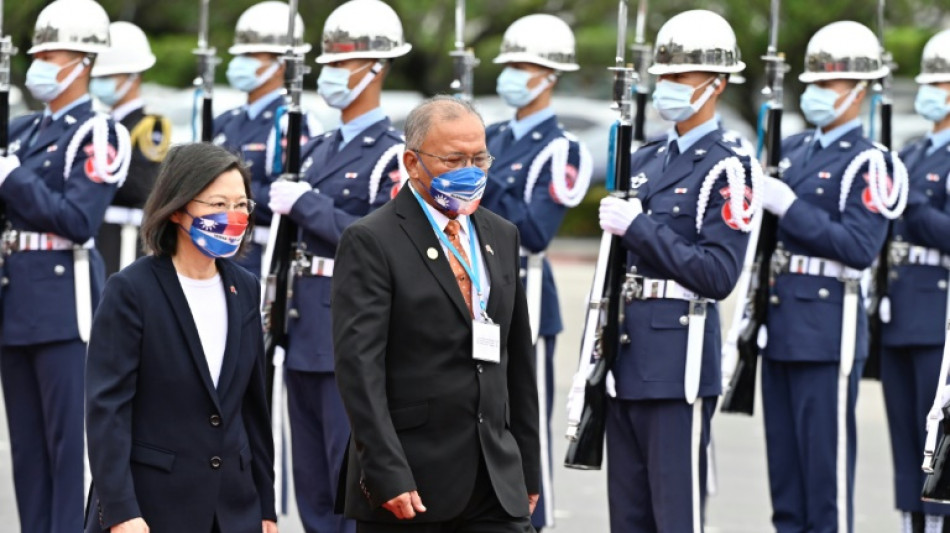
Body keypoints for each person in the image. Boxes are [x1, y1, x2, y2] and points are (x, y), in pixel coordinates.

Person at [332, 96, 540, 532]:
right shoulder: (372, 239)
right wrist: (386, 471)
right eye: (453, 159)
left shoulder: (500, 234)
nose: (470, 169)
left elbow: (517, 360)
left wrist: (528, 466)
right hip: (412, 485)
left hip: (495, 480)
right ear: (412, 162)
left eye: (479, 157)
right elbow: (360, 369)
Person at [594, 10, 757, 532]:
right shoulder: (643, 160)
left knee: (675, 516)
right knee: (629, 517)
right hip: (626, 355)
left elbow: (717, 274)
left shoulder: (727, 166)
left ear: (716, 83)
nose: (667, 87)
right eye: (662, 76)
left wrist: (639, 227)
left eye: (680, 77)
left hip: (677, 364)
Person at [266, 1, 411, 531]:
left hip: (349, 332)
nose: (329, 76)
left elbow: (382, 242)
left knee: (347, 480)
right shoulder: (320, 147)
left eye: (340, 65)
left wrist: (306, 204)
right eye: (326, 65)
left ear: (375, 69)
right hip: (304, 325)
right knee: (312, 486)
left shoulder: (394, 155)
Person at [759, 20, 907, 533]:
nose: (817, 93)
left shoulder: (872, 162)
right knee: (785, 480)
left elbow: (859, 248)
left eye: (829, 85)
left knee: (825, 482)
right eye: (813, 83)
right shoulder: (793, 149)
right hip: (778, 321)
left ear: (860, 92)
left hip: (827, 327)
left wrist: (790, 206)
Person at [84, 143, 277, 533]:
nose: (233, 217)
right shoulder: (131, 290)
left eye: (242, 205)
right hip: (153, 507)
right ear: (177, 209)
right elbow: (107, 411)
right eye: (218, 204)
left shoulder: (245, 288)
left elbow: (254, 408)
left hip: (234, 509)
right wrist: (121, 511)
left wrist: (267, 507)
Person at [0, 0, 131, 530]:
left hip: (63, 302)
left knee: (67, 448)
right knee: (27, 453)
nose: (41, 64)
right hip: (16, 299)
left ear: (83, 61)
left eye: (52, 53)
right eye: (38, 53)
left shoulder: (99, 134)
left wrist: (12, 177)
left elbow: (78, 219)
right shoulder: (24, 130)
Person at [480, 14, 591, 531]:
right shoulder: (488, 133)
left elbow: (534, 230)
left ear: (550, 75)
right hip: (474, 285)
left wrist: (481, 177)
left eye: (524, 67)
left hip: (525, 289)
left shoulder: (561, 150)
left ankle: (530, 520)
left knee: (524, 422)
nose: (513, 76)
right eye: (510, 65)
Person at [880, 29, 950, 533]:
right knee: (904, 437)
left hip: (936, 316)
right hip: (900, 311)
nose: (930, 93)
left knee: (934, 441)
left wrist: (913, 204)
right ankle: (911, 522)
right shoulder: (914, 151)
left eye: (940, 84)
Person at [213, 0, 321, 277]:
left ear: (281, 64)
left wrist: (222, 198)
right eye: (241, 54)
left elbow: (284, 197)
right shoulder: (226, 120)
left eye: (252, 55)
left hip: (256, 258)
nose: (240, 63)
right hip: (213, 250)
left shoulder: (291, 123)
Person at [90, 21, 171, 275]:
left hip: (125, 237)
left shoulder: (149, 126)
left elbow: (141, 187)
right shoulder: (100, 123)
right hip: (99, 232)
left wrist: (91, 182)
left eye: (106, 77)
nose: (98, 83)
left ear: (133, 78)